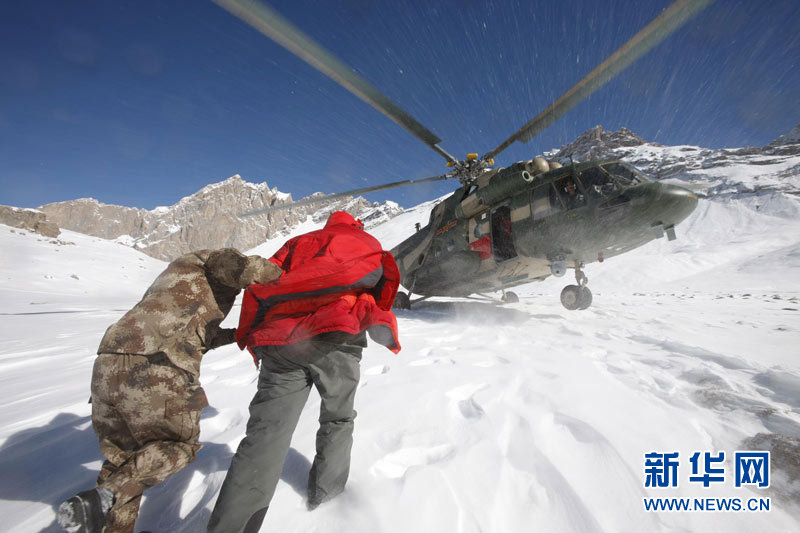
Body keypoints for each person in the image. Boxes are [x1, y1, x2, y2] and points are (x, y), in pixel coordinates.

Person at [57, 249, 282, 533]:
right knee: (179, 446)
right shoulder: (210, 260)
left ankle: (107, 519)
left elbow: (201, 335)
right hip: (155, 364)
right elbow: (242, 268)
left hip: (108, 366)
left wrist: (241, 333)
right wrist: (286, 275)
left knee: (125, 459)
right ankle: (106, 495)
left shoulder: (176, 284)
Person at [207, 211, 401, 533]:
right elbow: (381, 282)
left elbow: (262, 282)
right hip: (338, 337)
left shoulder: (296, 243)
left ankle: (231, 527)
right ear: (355, 224)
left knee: (266, 435)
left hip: (281, 342)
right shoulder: (365, 241)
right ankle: (326, 501)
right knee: (338, 419)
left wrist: (253, 335)